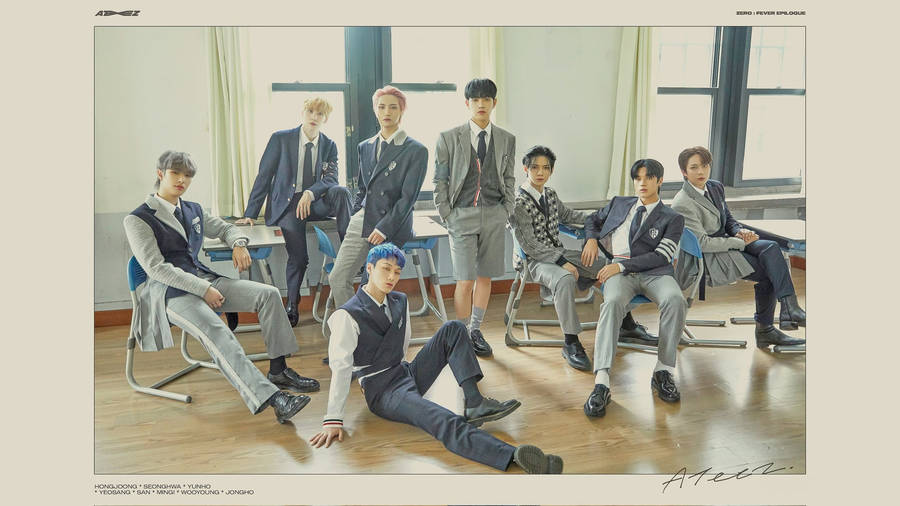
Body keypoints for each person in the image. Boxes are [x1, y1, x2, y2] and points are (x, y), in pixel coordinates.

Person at [309, 243, 564, 474]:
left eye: (397, 272)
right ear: (369, 268)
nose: (391, 277)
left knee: (454, 327)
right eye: (386, 269)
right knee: (441, 418)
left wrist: (412, 369)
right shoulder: (346, 315)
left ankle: (474, 402)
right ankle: (513, 456)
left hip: (403, 371)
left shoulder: (399, 300)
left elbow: (402, 343)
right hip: (382, 391)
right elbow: (341, 369)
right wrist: (333, 419)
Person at [123, 150, 318, 423]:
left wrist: (238, 244)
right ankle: (273, 398)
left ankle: (279, 369)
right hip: (169, 293)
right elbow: (156, 268)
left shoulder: (193, 210)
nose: (182, 180)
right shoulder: (137, 219)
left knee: (269, 295)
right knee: (219, 332)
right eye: (175, 173)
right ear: (160, 174)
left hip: (205, 279)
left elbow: (227, 229)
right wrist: (203, 290)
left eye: (187, 175)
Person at [511, 146, 660, 372]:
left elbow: (569, 216)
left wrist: (605, 218)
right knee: (564, 279)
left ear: (551, 171)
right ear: (525, 169)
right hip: (534, 261)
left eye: (546, 168)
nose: (540, 172)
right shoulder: (518, 203)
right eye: (534, 167)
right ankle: (571, 341)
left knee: (611, 267)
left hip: (558, 253)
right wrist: (562, 262)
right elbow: (530, 246)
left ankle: (626, 323)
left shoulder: (549, 194)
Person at [581, 159, 687, 417]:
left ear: (659, 181)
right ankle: (602, 381)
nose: (642, 183)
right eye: (637, 178)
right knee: (612, 303)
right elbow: (591, 220)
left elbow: (662, 256)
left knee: (676, 300)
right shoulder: (620, 203)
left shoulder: (673, 218)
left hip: (654, 273)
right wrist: (592, 239)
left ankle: (663, 370)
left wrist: (621, 267)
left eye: (648, 178)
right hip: (619, 271)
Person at [670, 146, 805, 348]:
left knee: (771, 248)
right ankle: (770, 326)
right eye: (694, 167)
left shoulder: (714, 187)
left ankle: (788, 308)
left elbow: (729, 219)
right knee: (770, 269)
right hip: (709, 257)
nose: (701, 172)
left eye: (705, 166)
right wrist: (740, 242)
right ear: (684, 171)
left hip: (728, 242)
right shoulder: (683, 202)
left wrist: (739, 231)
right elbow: (703, 244)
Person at [237, 97, 352, 327]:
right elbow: (264, 176)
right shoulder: (281, 139)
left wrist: (310, 193)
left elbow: (330, 178)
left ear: (325, 118)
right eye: (310, 111)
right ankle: (292, 303)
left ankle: (350, 253)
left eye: (320, 114)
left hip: (314, 201)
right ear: (302, 112)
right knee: (299, 258)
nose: (314, 117)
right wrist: (251, 212)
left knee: (341, 191)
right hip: (288, 205)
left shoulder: (329, 145)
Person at [432, 78, 516, 357]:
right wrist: (447, 214)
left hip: (494, 214)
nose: (481, 104)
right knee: (464, 279)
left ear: (495, 103)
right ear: (467, 103)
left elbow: (508, 177)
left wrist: (507, 208)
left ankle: (475, 331)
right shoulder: (448, 137)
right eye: (476, 100)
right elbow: (440, 180)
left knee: (485, 276)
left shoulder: (506, 139)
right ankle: (460, 333)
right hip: (461, 215)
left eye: (487, 99)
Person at [326, 86, 428, 311]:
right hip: (363, 219)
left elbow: (407, 198)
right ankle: (352, 327)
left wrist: (383, 228)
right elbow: (362, 189)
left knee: (375, 286)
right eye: (381, 107)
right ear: (375, 110)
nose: (387, 112)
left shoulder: (416, 150)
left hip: (392, 225)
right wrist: (355, 215)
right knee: (337, 277)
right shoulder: (365, 147)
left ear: (402, 111)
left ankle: (376, 334)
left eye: (393, 107)